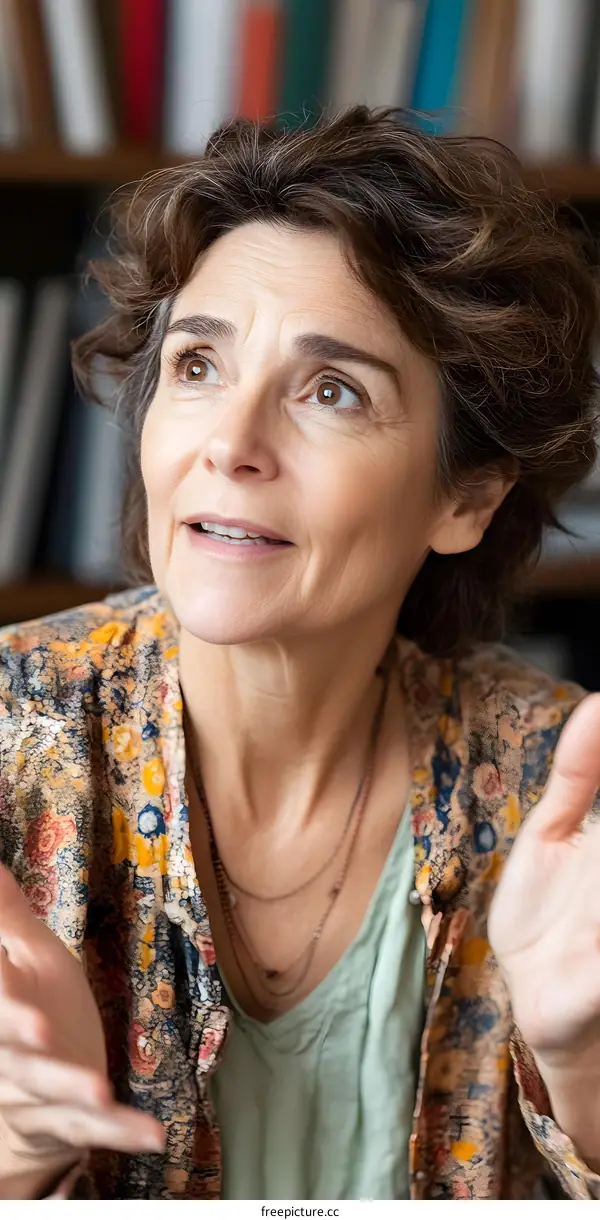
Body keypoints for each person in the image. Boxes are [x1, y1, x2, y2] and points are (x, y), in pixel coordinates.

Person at [0, 106, 600, 1202]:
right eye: (196, 366)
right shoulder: (8, 738)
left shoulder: (556, 799)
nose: (230, 443)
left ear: (466, 495)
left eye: (333, 391)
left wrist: (583, 1062)